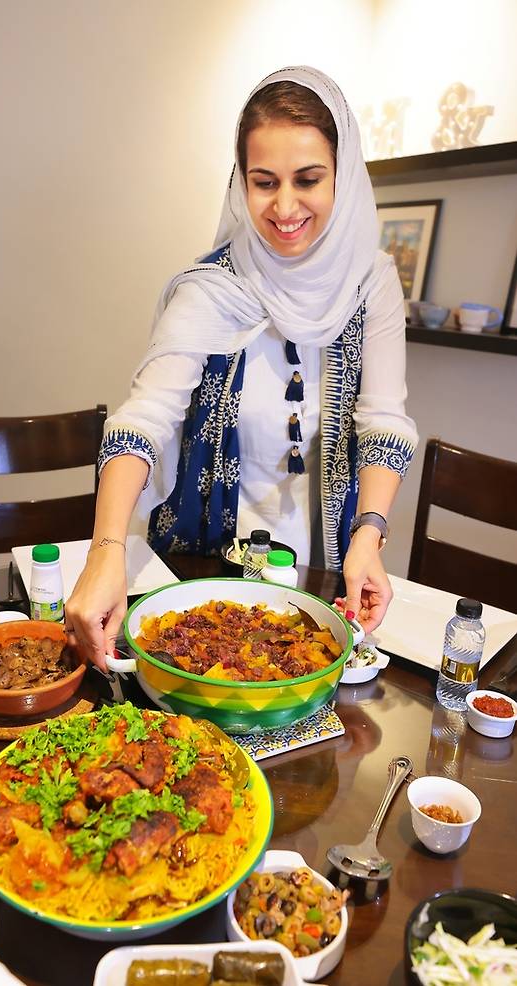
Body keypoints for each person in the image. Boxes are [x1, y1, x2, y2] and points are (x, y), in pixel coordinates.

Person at [65, 66, 418, 671]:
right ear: (240, 183)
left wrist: (370, 533)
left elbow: (383, 420)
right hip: (202, 563)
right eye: (263, 182)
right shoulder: (211, 287)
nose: (284, 207)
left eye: (308, 179)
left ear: (345, 176)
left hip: (321, 567)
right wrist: (106, 552)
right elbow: (144, 419)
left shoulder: (371, 281)